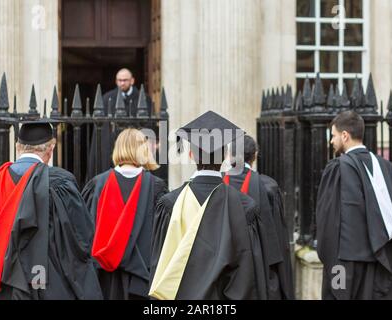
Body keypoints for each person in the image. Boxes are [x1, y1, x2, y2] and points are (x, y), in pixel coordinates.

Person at [0, 120, 103, 300]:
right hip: (49, 287)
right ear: (50, 149)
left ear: (17, 147)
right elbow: (80, 241)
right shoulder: (61, 184)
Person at [149, 111, 268, 300]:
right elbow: (250, 274)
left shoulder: (169, 204)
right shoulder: (246, 207)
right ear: (225, 157)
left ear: (191, 155)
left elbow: (159, 268)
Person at [316, 111, 392, 300]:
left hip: (346, 266)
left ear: (345, 136)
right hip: (384, 263)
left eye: (333, 135)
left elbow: (327, 226)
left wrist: (333, 268)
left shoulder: (337, 168)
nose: (331, 141)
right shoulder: (387, 168)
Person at [82, 128, 168, 300]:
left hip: (104, 279)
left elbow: (85, 231)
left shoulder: (98, 184)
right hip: (142, 279)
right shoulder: (156, 187)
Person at [224, 135, 295, 300]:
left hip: (225, 271)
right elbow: (277, 237)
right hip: (259, 271)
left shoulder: (218, 185)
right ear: (255, 155)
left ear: (229, 155)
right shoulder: (268, 187)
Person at [88, 68, 153, 178]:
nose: (122, 83)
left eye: (125, 80)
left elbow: (149, 125)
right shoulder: (107, 98)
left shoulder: (144, 99)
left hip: (135, 146)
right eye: (119, 80)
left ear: (132, 81)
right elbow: (101, 129)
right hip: (113, 147)